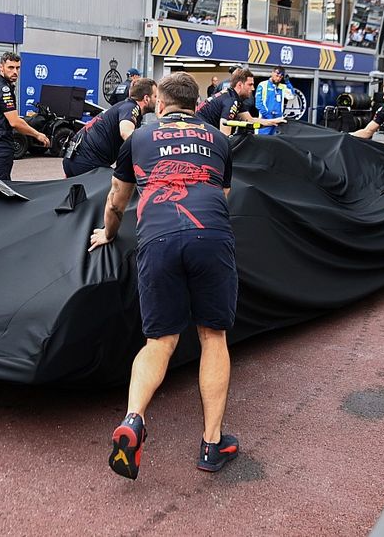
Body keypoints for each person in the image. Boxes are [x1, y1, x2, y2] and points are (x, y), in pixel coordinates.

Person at [89, 72, 239, 480]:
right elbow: (223, 197)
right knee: (213, 336)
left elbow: (116, 202)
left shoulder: (138, 138)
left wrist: (109, 233)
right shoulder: (219, 139)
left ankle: (133, 419)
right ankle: (211, 444)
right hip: (210, 234)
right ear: (197, 104)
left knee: (159, 341)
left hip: (157, 239)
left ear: (159, 103)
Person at [0, 52, 50, 180]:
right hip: (0, 147)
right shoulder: (3, 89)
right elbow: (14, 122)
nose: (15, 72)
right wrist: (37, 134)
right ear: (1, 67)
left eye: (17, 68)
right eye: (10, 67)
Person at [63, 78, 157, 177]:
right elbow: (126, 133)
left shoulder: (123, 106)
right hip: (87, 161)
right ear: (146, 99)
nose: (158, 100)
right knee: (120, 184)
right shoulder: (131, 107)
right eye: (155, 96)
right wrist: (151, 150)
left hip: (72, 158)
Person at [196, 68, 285, 136]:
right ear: (240, 85)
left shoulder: (233, 96)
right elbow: (225, 136)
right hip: (197, 130)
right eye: (250, 85)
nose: (253, 88)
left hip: (199, 127)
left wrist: (274, 121)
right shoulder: (231, 101)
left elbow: (250, 120)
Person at [254, 67, 291, 136]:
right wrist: (269, 117)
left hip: (278, 121)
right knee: (262, 141)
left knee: (275, 142)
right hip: (265, 121)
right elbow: (258, 104)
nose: (278, 78)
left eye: (280, 77)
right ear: (272, 73)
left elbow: (291, 95)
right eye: (277, 76)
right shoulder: (263, 84)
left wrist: (287, 82)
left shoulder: (282, 87)